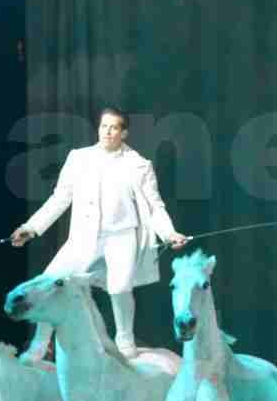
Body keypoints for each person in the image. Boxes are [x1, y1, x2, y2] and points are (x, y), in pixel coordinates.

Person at [10, 107, 191, 359]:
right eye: (104, 126)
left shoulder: (138, 165)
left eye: (114, 127)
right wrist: (31, 228)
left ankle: (125, 343)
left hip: (121, 237)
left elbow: (154, 206)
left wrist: (169, 234)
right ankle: (40, 345)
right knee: (50, 281)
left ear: (124, 132)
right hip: (84, 237)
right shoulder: (79, 158)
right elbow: (59, 199)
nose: (107, 132)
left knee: (119, 288)